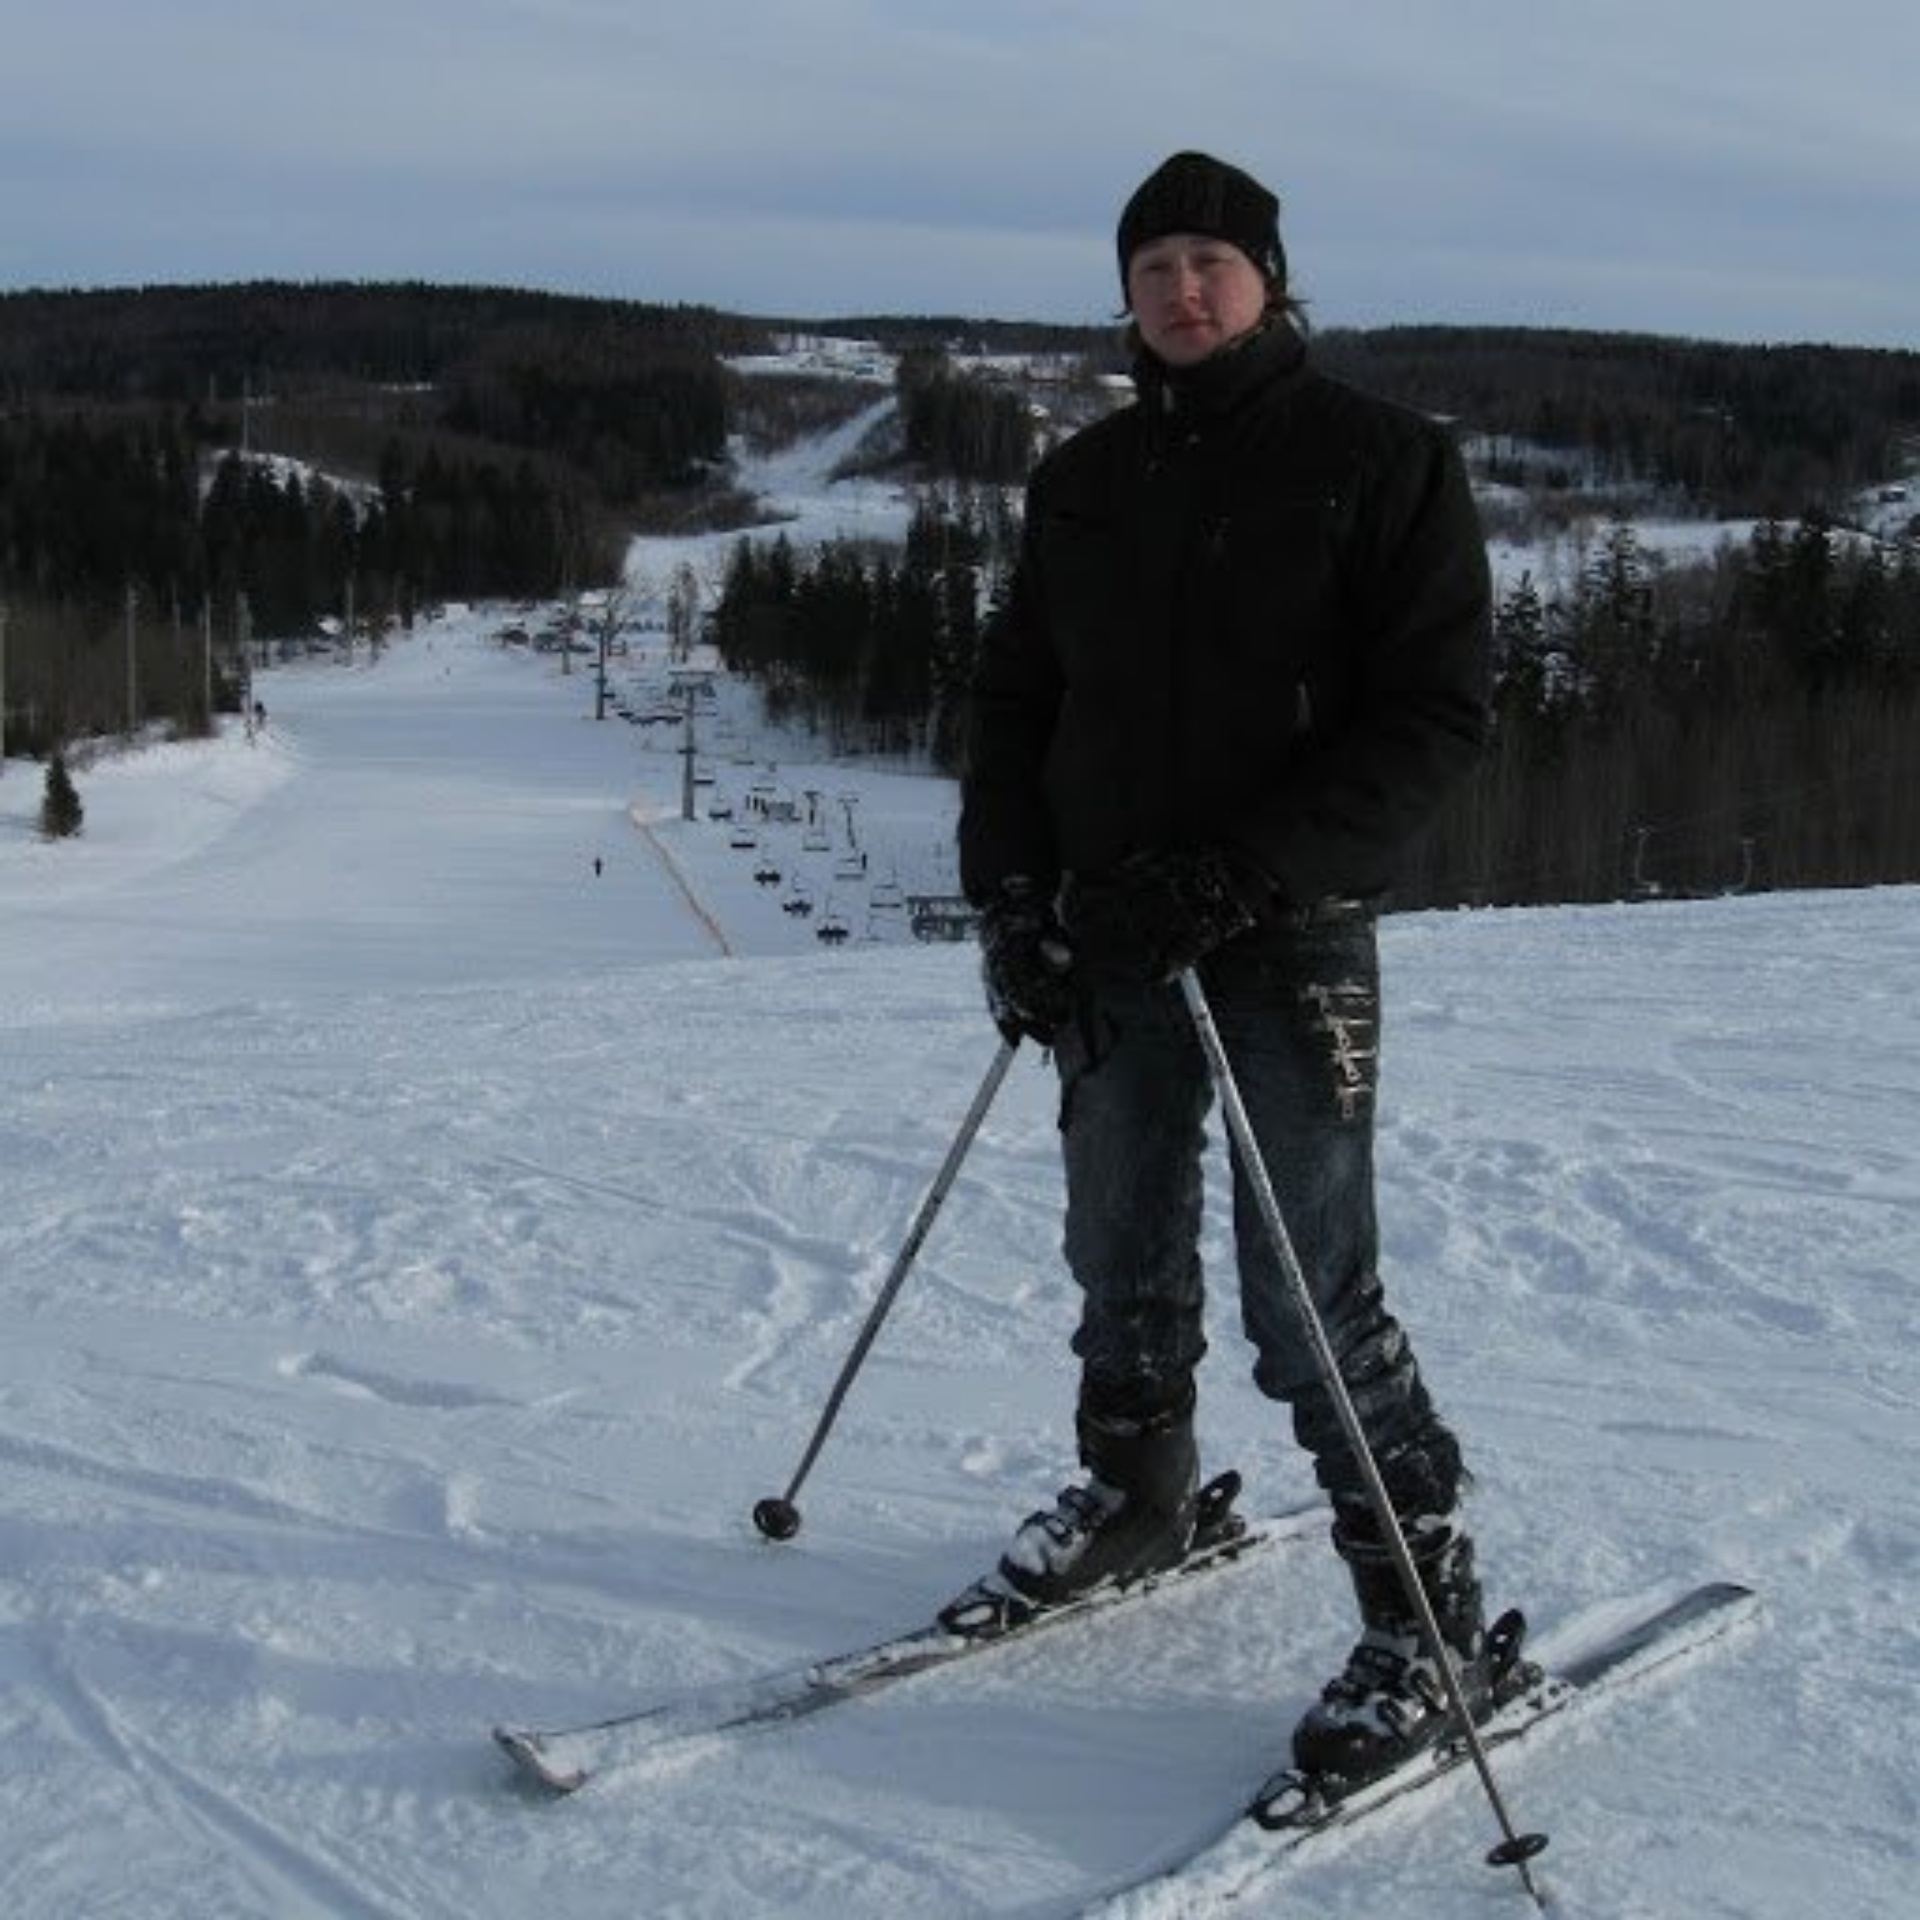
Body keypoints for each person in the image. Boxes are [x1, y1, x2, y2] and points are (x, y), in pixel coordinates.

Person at [956, 150, 1497, 1786]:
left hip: (1289, 932)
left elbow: (1435, 718)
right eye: (1151, 269)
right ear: (1123, 297)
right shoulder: (1087, 479)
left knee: (1307, 1293)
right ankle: (1139, 1493)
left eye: (1210, 261)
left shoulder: (1383, 462)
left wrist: (1249, 866)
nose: (1181, 292)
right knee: (1115, 1236)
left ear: (1268, 277)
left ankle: (1426, 1612)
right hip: (1110, 928)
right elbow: (1015, 705)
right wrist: (1012, 901)